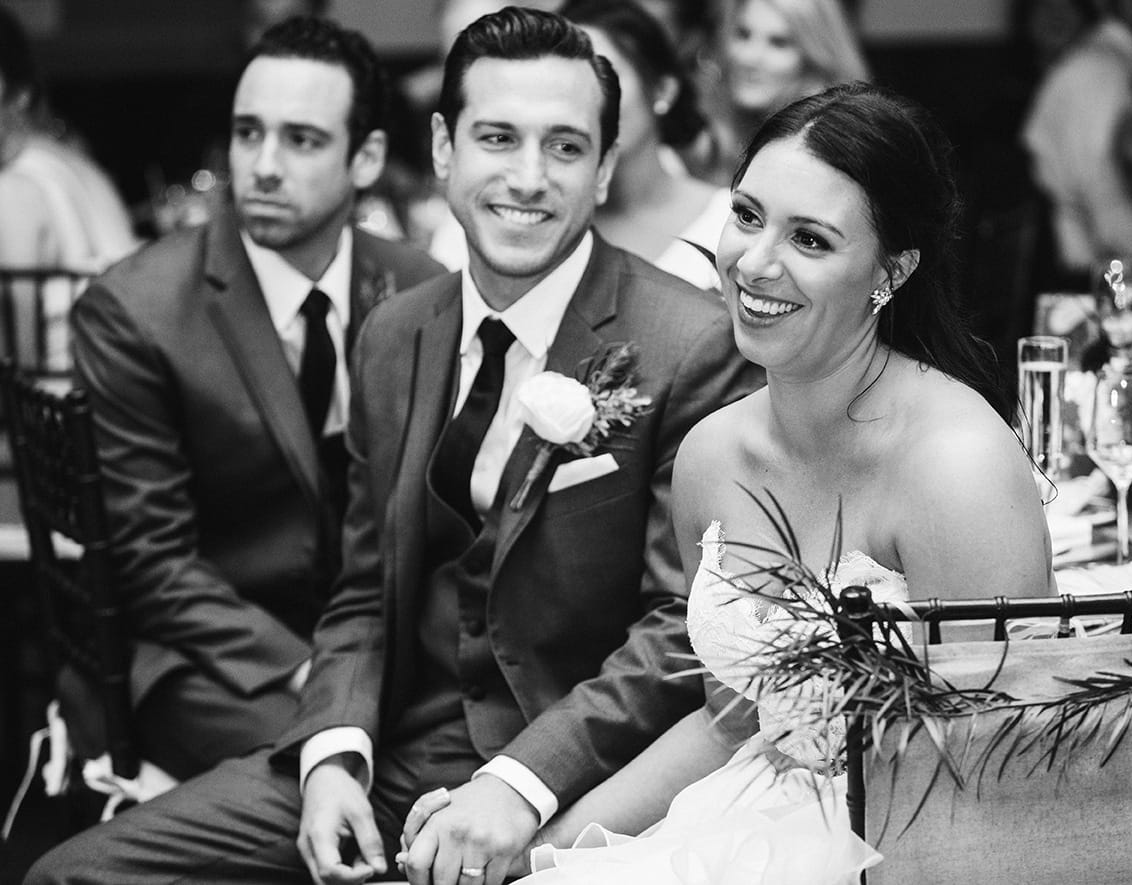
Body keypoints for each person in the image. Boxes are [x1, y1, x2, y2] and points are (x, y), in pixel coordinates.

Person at [26, 8, 756, 885]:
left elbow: (682, 623)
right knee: (71, 874)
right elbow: (365, 584)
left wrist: (521, 783)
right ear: (444, 149)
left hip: (569, 774)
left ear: (603, 168)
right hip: (391, 752)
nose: (528, 178)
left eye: (565, 147)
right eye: (497, 138)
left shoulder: (690, 343)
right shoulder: (396, 331)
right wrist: (332, 750)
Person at [488, 82, 1054, 882]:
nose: (754, 262)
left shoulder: (955, 466)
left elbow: (1004, 764)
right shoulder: (712, 455)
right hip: (738, 818)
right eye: (747, 216)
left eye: (810, 240)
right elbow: (727, 723)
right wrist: (537, 851)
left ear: (891, 271)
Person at [61, 17, 442, 782]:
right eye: (247, 133)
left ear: (366, 157)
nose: (262, 166)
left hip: (372, 647)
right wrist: (318, 679)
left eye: (301, 140)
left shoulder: (420, 286)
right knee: (351, 773)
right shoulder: (135, 308)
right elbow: (152, 563)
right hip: (208, 658)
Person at [0, 5, 137, 372]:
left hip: (56, 401)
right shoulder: (75, 165)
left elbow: (16, 364)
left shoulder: (14, 190)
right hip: (112, 393)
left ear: (20, 96)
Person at [562, 0, 728, 292]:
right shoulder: (550, 223)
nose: (584, 102)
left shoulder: (727, 222)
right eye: (566, 84)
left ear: (663, 90)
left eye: (603, 78)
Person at [1020, 0, 1132, 283]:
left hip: (1099, 264)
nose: (1054, 14)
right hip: (1092, 267)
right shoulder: (1089, 68)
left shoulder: (1096, 66)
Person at [704, 0, 868, 183]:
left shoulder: (830, 154)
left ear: (815, 57)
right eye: (743, 34)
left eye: (778, 43)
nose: (749, 57)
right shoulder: (710, 133)